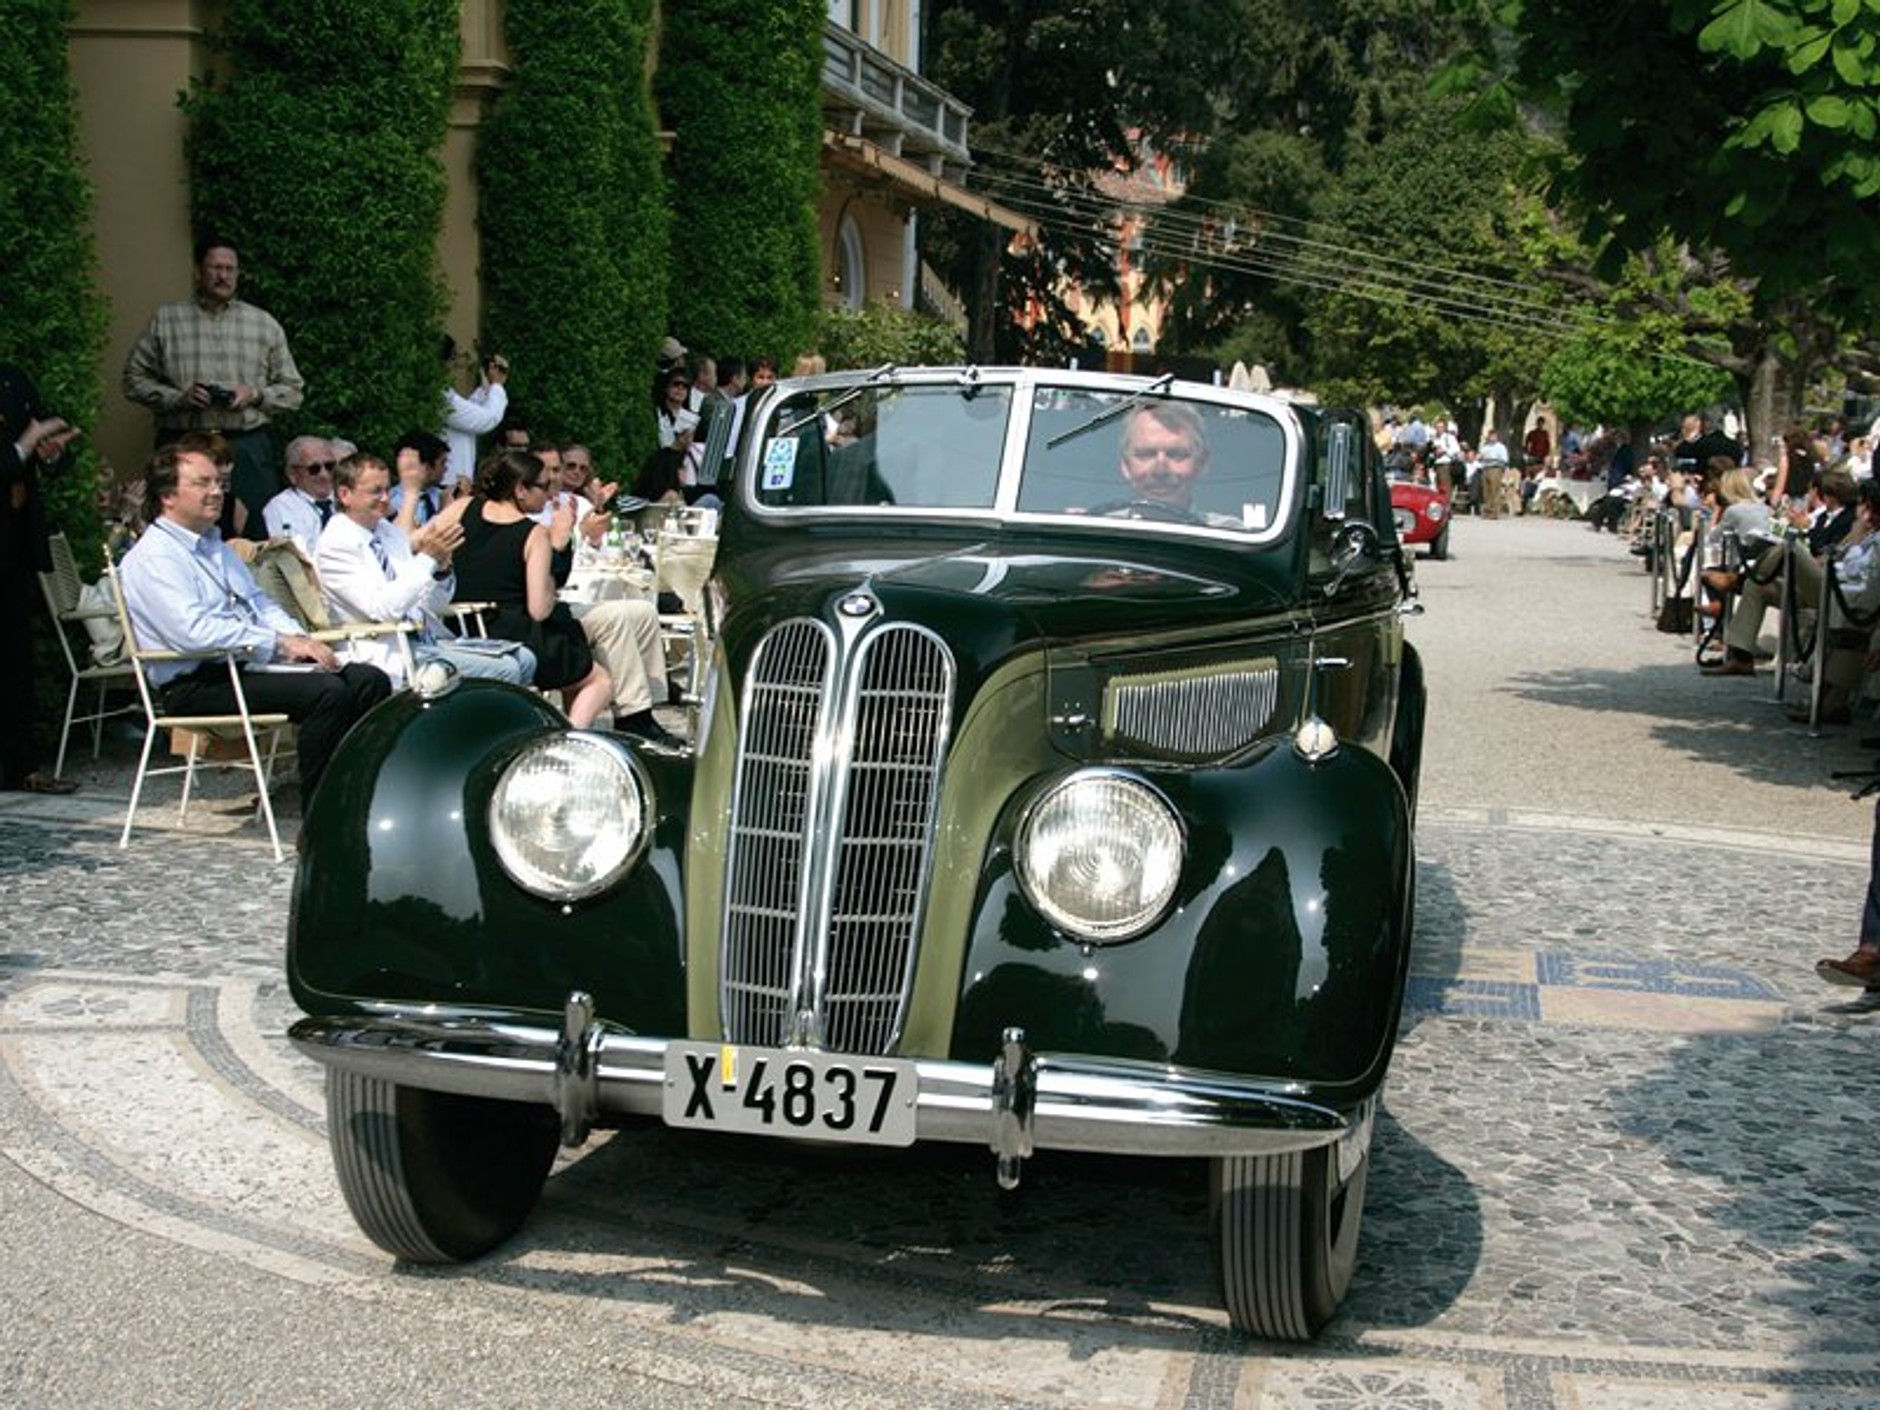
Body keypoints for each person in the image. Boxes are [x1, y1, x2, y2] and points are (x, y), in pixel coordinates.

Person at [117, 444, 392, 814]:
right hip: (196, 682)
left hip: (243, 667)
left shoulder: (216, 547)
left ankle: (358, 795)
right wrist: (278, 643)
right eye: (202, 483)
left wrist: (301, 640)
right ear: (167, 495)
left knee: (368, 679)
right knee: (326, 692)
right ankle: (321, 815)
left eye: (218, 482)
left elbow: (260, 605)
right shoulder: (154, 557)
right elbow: (192, 632)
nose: (217, 491)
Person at [122, 236, 304, 537]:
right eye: (215, 268)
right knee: (176, 531)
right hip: (183, 443)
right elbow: (132, 380)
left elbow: (294, 390)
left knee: (257, 533)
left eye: (230, 269)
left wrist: (255, 394)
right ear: (198, 272)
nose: (223, 276)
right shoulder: (167, 320)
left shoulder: (262, 324)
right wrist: (178, 398)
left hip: (245, 448)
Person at [314, 453, 535, 688]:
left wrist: (441, 569)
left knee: (525, 659)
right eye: (376, 491)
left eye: (388, 489)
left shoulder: (388, 532)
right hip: (387, 651)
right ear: (344, 494)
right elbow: (385, 609)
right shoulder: (336, 545)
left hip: (425, 640)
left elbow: (432, 605)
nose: (386, 498)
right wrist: (427, 558)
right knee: (506, 669)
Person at [449, 449, 615, 729]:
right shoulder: (533, 533)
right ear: (520, 490)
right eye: (543, 486)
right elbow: (539, 609)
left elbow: (418, 541)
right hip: (510, 632)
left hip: (459, 623)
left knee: (572, 644)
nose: (551, 493)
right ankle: (568, 739)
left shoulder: (464, 507)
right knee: (599, 681)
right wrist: (559, 543)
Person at [1, 365, 83, 794]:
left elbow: (47, 439)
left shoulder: (13, 379)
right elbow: (19, 446)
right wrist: (24, 445)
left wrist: (50, 451)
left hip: (13, 543)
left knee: (15, 659)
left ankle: (20, 765)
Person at [1103, 403, 1240, 528]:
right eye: (1146, 454)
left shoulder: (1228, 536)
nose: (1160, 471)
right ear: (1125, 465)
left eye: (1176, 454)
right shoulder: (1100, 531)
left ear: (1202, 463)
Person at [439, 338, 507, 494]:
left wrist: (487, 389)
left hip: (453, 482)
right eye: (455, 357)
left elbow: (470, 413)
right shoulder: (439, 396)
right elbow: (485, 420)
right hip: (446, 485)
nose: (456, 364)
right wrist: (497, 386)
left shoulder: (441, 393)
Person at [260, 436, 337, 552]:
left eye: (329, 466)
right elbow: (292, 556)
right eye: (314, 469)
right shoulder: (280, 508)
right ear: (292, 474)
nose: (324, 475)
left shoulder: (350, 498)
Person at [388, 430, 450, 529]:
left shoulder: (442, 494)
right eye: (442, 463)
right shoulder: (393, 503)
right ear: (426, 467)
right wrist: (444, 510)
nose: (446, 469)